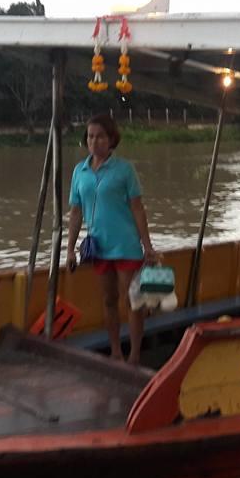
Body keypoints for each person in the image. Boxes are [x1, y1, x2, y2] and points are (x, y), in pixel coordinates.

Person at [66, 114, 158, 364]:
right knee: (108, 301)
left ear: (111, 139)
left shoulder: (124, 169)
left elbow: (138, 208)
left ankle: (135, 355)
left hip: (126, 246)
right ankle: (116, 351)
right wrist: (70, 249)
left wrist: (147, 246)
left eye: (100, 136)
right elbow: (76, 212)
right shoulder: (80, 171)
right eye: (90, 136)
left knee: (133, 301)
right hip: (98, 248)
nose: (94, 141)